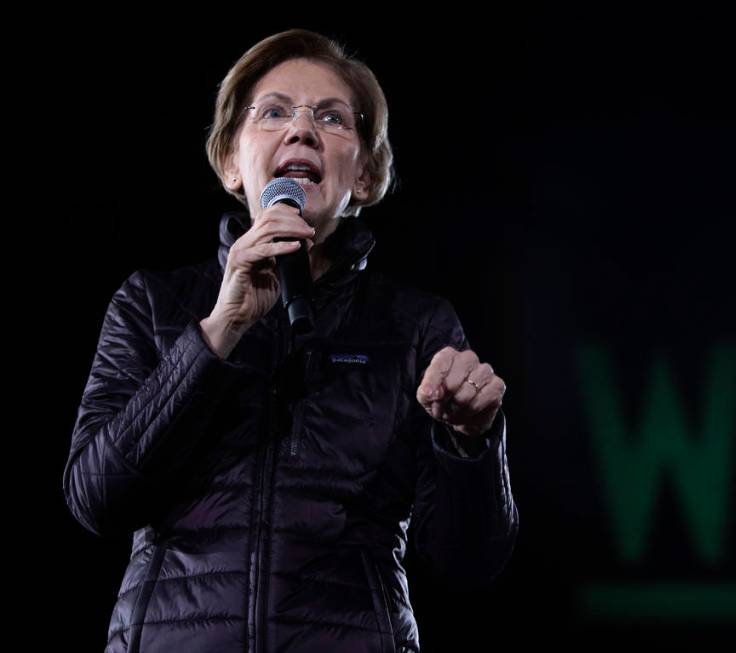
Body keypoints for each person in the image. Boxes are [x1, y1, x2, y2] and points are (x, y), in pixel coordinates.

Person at [63, 28, 519, 653]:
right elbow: (97, 501)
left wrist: (470, 444)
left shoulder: (416, 326)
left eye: (331, 118)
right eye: (274, 112)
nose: (300, 130)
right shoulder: (151, 303)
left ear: (363, 175)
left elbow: (467, 564)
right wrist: (219, 330)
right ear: (230, 161)